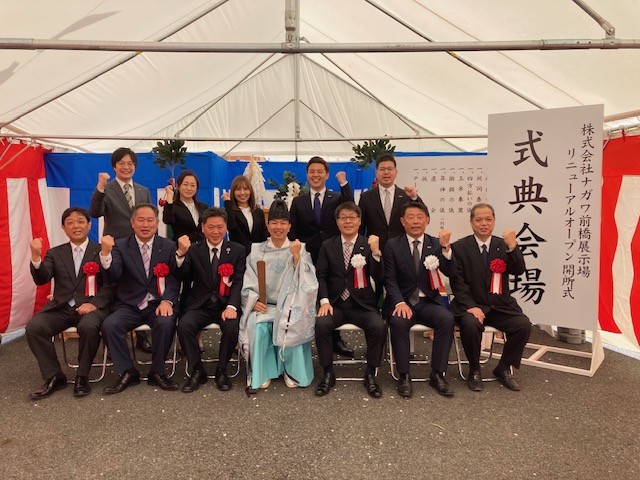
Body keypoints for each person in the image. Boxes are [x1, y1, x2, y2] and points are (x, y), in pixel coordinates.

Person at [26, 207, 115, 399]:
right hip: (62, 307)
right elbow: (42, 279)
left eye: (81, 221)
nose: (76, 226)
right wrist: (36, 258)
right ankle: (54, 376)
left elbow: (111, 283)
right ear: (63, 227)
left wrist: (94, 304)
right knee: (34, 327)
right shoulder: (55, 253)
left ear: (89, 225)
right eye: (70, 223)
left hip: (91, 307)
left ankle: (82, 376)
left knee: (89, 326)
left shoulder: (101, 251)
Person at [450, 203, 532, 392]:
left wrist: (513, 246)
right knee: (470, 325)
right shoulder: (460, 247)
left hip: (499, 305)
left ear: (494, 221)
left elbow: (518, 270)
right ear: (471, 222)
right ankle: (474, 369)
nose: (484, 223)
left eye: (488, 219)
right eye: (479, 220)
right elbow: (457, 282)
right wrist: (470, 306)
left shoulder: (503, 245)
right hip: (472, 305)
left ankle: (503, 367)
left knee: (523, 325)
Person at [99, 204, 180, 394]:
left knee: (166, 322)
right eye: (140, 220)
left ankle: (157, 372)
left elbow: (174, 279)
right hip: (129, 304)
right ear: (132, 222)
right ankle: (128, 371)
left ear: (157, 223)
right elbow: (113, 275)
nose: (145, 225)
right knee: (110, 325)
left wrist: (167, 301)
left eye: (150, 220)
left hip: (157, 303)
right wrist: (105, 255)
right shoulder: (120, 246)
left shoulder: (168, 246)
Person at [240, 200, 318, 391]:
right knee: (259, 325)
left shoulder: (299, 248)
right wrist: (254, 301)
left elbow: (309, 281)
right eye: (274, 223)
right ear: (268, 226)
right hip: (266, 305)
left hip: (291, 304)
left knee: (292, 321)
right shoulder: (256, 250)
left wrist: (297, 257)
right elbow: (248, 280)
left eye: (283, 223)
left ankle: (291, 371)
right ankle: (263, 372)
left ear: (289, 226)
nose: (278, 227)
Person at [384, 202, 456, 398]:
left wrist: (446, 249)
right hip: (403, 301)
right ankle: (404, 375)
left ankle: (438, 374)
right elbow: (389, 279)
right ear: (402, 221)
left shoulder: (436, 243)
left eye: (419, 217)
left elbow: (451, 271)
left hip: (428, 302)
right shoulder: (392, 245)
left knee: (447, 319)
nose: (415, 221)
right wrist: (399, 302)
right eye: (410, 217)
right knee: (398, 322)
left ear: (427, 220)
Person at [314, 202, 385, 398]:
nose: (348, 221)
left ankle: (370, 373)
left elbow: (379, 277)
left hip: (362, 305)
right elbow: (321, 276)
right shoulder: (328, 245)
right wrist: (324, 301)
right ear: (337, 222)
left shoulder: (368, 244)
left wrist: (376, 253)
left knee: (378, 326)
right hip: (335, 304)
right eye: (343, 217)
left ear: (359, 221)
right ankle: (328, 373)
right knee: (322, 324)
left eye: (352, 217)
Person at [288, 156, 355, 358]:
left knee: (332, 296)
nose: (315, 175)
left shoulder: (336, 197)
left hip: (333, 255)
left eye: (320, 171)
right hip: (307, 257)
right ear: (307, 175)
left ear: (327, 175)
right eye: (312, 172)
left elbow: (350, 206)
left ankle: (335, 340)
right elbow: (293, 230)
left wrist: (344, 183)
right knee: (306, 299)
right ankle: (302, 341)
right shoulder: (298, 201)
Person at [89, 147, 154, 353]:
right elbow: (95, 212)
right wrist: (100, 187)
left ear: (135, 166)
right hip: (116, 248)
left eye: (130, 163)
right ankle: (113, 339)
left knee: (140, 288)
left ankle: (142, 337)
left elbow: (149, 218)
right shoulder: (107, 189)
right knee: (114, 290)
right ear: (114, 166)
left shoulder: (143, 190)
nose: (126, 167)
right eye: (122, 163)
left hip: (140, 248)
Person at [175, 208, 246, 392]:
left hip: (225, 304)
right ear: (203, 228)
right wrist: (181, 254)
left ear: (226, 227)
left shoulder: (237, 250)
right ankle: (197, 370)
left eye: (220, 227)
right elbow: (183, 275)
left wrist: (232, 306)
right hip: (200, 304)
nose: (216, 231)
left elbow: (238, 282)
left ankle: (222, 370)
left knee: (232, 326)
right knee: (184, 326)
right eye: (211, 227)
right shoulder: (194, 250)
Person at [358, 153, 425, 254]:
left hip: (401, 249)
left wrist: (414, 197)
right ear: (376, 172)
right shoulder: (366, 197)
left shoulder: (406, 195)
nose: (386, 172)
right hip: (375, 249)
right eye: (382, 169)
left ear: (396, 172)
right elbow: (360, 226)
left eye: (390, 169)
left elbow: (423, 215)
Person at [221, 175, 268, 255]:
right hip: (238, 254)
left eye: (245, 189)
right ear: (233, 192)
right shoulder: (230, 211)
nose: (242, 193)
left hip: (257, 254)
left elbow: (263, 235)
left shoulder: (258, 211)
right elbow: (230, 226)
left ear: (250, 191)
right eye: (238, 189)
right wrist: (228, 203)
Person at [162, 170, 208, 243]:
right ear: (177, 186)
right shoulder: (173, 206)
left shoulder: (203, 206)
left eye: (192, 185)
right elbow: (167, 220)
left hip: (201, 247)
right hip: (182, 247)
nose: (189, 188)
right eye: (185, 184)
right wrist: (170, 196)